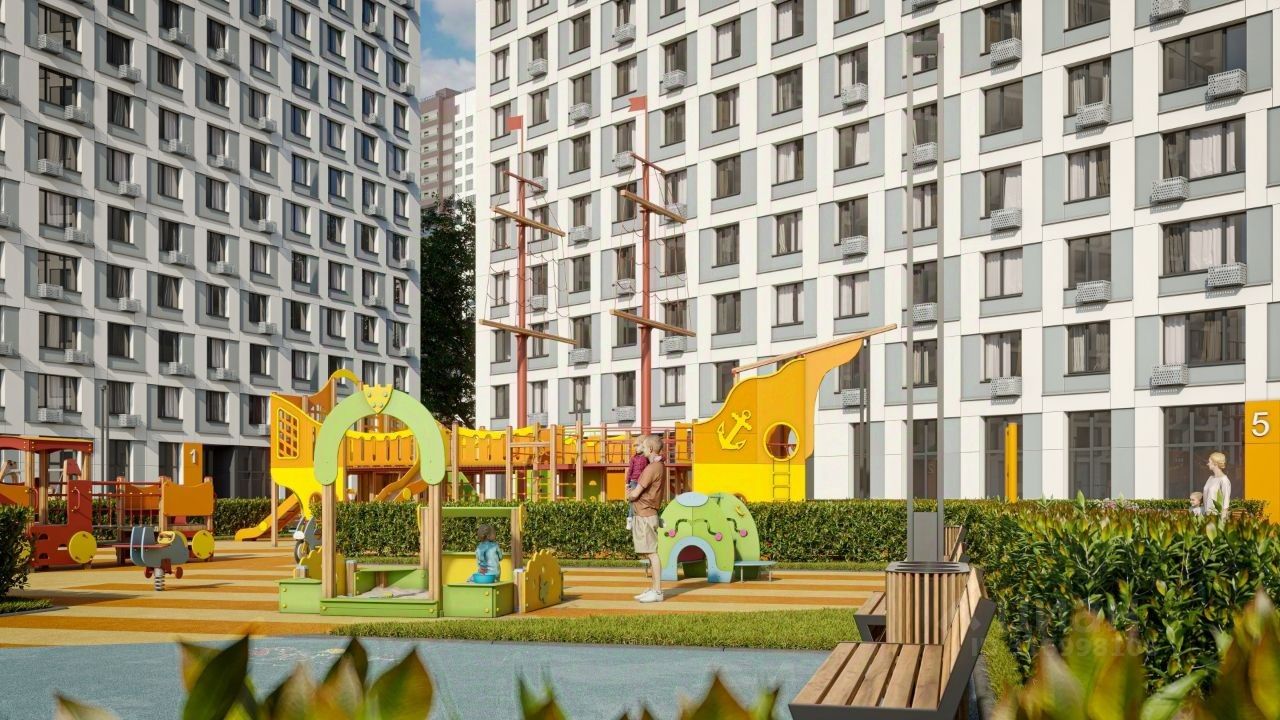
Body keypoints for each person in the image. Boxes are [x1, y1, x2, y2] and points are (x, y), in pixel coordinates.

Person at [628, 434, 666, 603]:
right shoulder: (658, 466)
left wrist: (629, 495)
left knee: (652, 553)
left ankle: (657, 591)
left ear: (650, 449)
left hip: (645, 515)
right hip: (646, 514)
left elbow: (635, 493)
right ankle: (653, 589)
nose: (641, 449)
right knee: (650, 553)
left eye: (643, 446)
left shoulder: (651, 469)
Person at [624, 440, 650, 531]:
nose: (636, 448)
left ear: (643, 447)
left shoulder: (646, 458)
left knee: (644, 501)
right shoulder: (633, 458)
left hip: (643, 482)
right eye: (635, 447)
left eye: (637, 446)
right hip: (634, 482)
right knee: (633, 501)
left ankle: (644, 520)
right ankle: (630, 519)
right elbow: (630, 471)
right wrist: (627, 483)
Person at [1202, 452, 1232, 523]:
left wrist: (1222, 520)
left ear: (1215, 463)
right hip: (1207, 515)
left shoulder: (1224, 480)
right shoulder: (1210, 478)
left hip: (1217, 517)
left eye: (1209, 462)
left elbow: (1226, 501)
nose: (1207, 464)